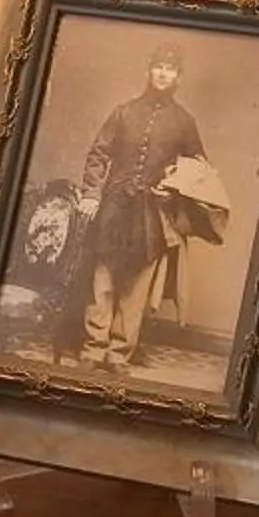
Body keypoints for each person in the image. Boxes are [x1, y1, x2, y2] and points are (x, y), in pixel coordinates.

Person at [68, 42, 207, 373]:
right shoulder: (123, 112)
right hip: (114, 207)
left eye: (170, 69)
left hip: (153, 214)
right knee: (102, 281)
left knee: (136, 286)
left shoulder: (185, 122)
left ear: (179, 77)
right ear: (149, 70)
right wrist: (91, 193)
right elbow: (99, 154)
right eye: (158, 66)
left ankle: (118, 355)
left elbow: (198, 168)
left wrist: (171, 192)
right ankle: (93, 349)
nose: (163, 73)